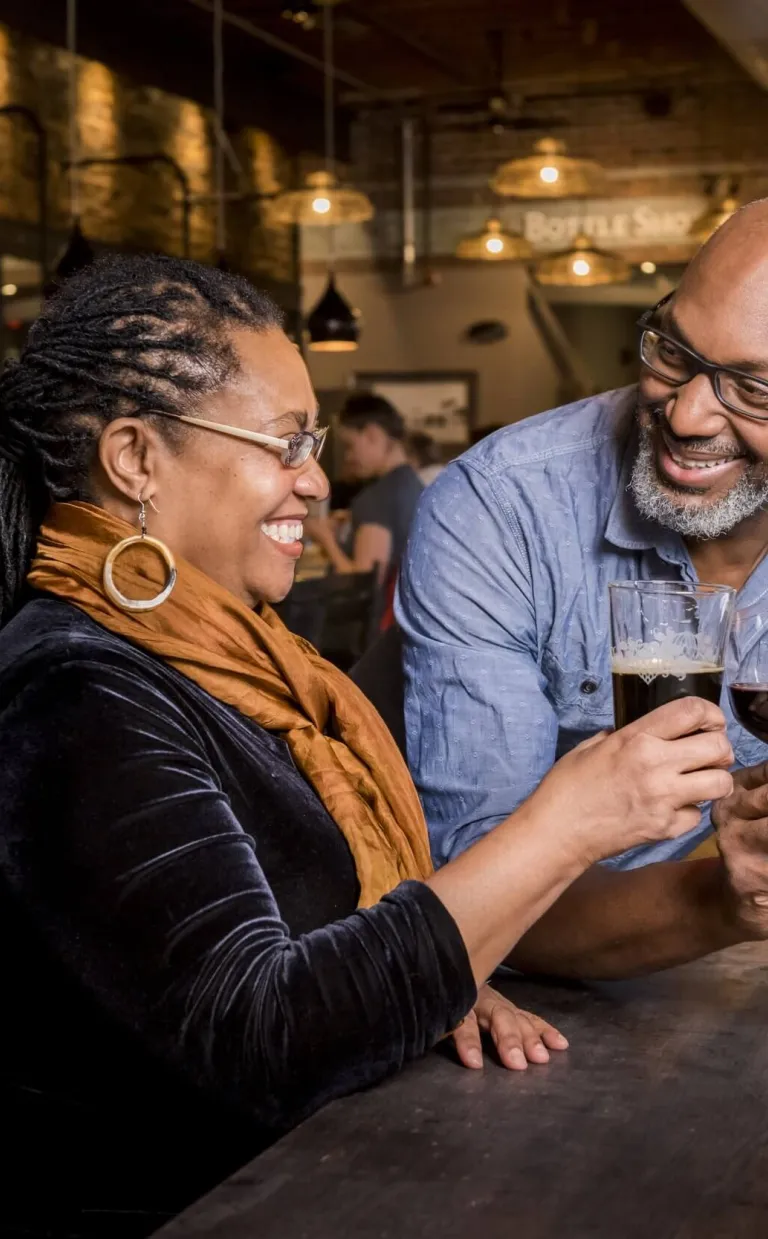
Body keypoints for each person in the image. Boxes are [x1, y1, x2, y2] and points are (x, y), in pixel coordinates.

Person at [0, 253, 748, 1237]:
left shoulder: (237, 659)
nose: (316, 481)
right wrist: (569, 822)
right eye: (285, 444)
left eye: (314, 443)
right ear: (136, 459)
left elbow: (301, 940)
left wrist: (431, 989)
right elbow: (264, 1042)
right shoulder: (74, 689)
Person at [397, 197, 768, 977]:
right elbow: (478, 902)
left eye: (755, 391)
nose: (687, 414)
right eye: (673, 351)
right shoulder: (500, 506)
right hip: (520, 992)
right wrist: (727, 899)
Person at [304, 391, 423, 585]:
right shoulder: (413, 484)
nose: (348, 457)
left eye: (349, 446)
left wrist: (324, 538)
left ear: (372, 435)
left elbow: (364, 583)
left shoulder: (376, 499)